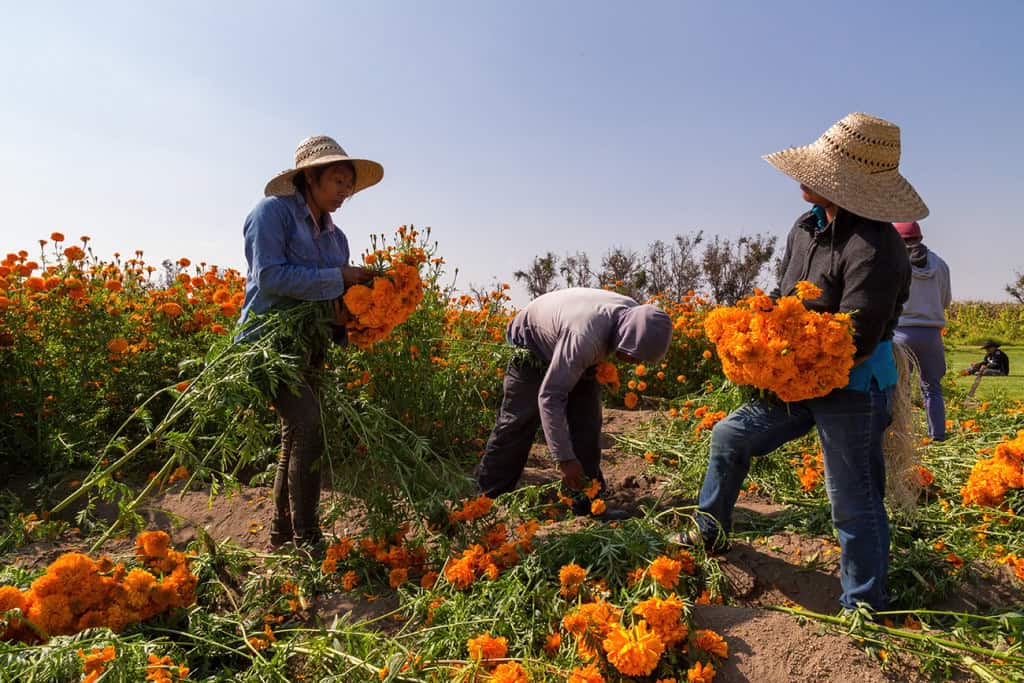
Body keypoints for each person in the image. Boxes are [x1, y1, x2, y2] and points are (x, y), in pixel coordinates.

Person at [685, 113, 927, 613]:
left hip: (853, 387)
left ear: (848, 184)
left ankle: (865, 605)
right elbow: (783, 293)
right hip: (794, 378)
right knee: (730, 434)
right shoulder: (806, 227)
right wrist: (758, 331)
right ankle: (709, 531)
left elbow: (854, 335)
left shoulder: (878, 249)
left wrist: (784, 360)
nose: (804, 177)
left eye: (818, 171)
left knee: (853, 499)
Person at [237, 135, 382, 550]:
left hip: (310, 346)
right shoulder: (272, 214)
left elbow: (333, 301)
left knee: (295, 435)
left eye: (349, 186)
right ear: (310, 176)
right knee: (308, 427)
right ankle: (307, 538)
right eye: (337, 181)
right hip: (268, 343)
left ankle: (281, 538)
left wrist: (349, 320)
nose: (344, 192)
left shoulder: (338, 240)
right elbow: (271, 276)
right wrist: (342, 278)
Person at [476, 288, 673, 516]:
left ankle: (588, 504)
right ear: (624, 333)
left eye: (639, 358)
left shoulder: (636, 316)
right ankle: (486, 502)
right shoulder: (585, 338)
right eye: (632, 354)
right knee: (518, 423)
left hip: (570, 342)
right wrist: (565, 459)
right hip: (531, 343)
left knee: (587, 423)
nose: (633, 360)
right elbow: (550, 396)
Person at [892, 221, 952, 441]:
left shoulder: (894, 263)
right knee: (932, 388)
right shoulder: (940, 264)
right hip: (931, 335)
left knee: (901, 390)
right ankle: (937, 434)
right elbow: (945, 300)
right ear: (920, 237)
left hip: (901, 333)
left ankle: (903, 438)